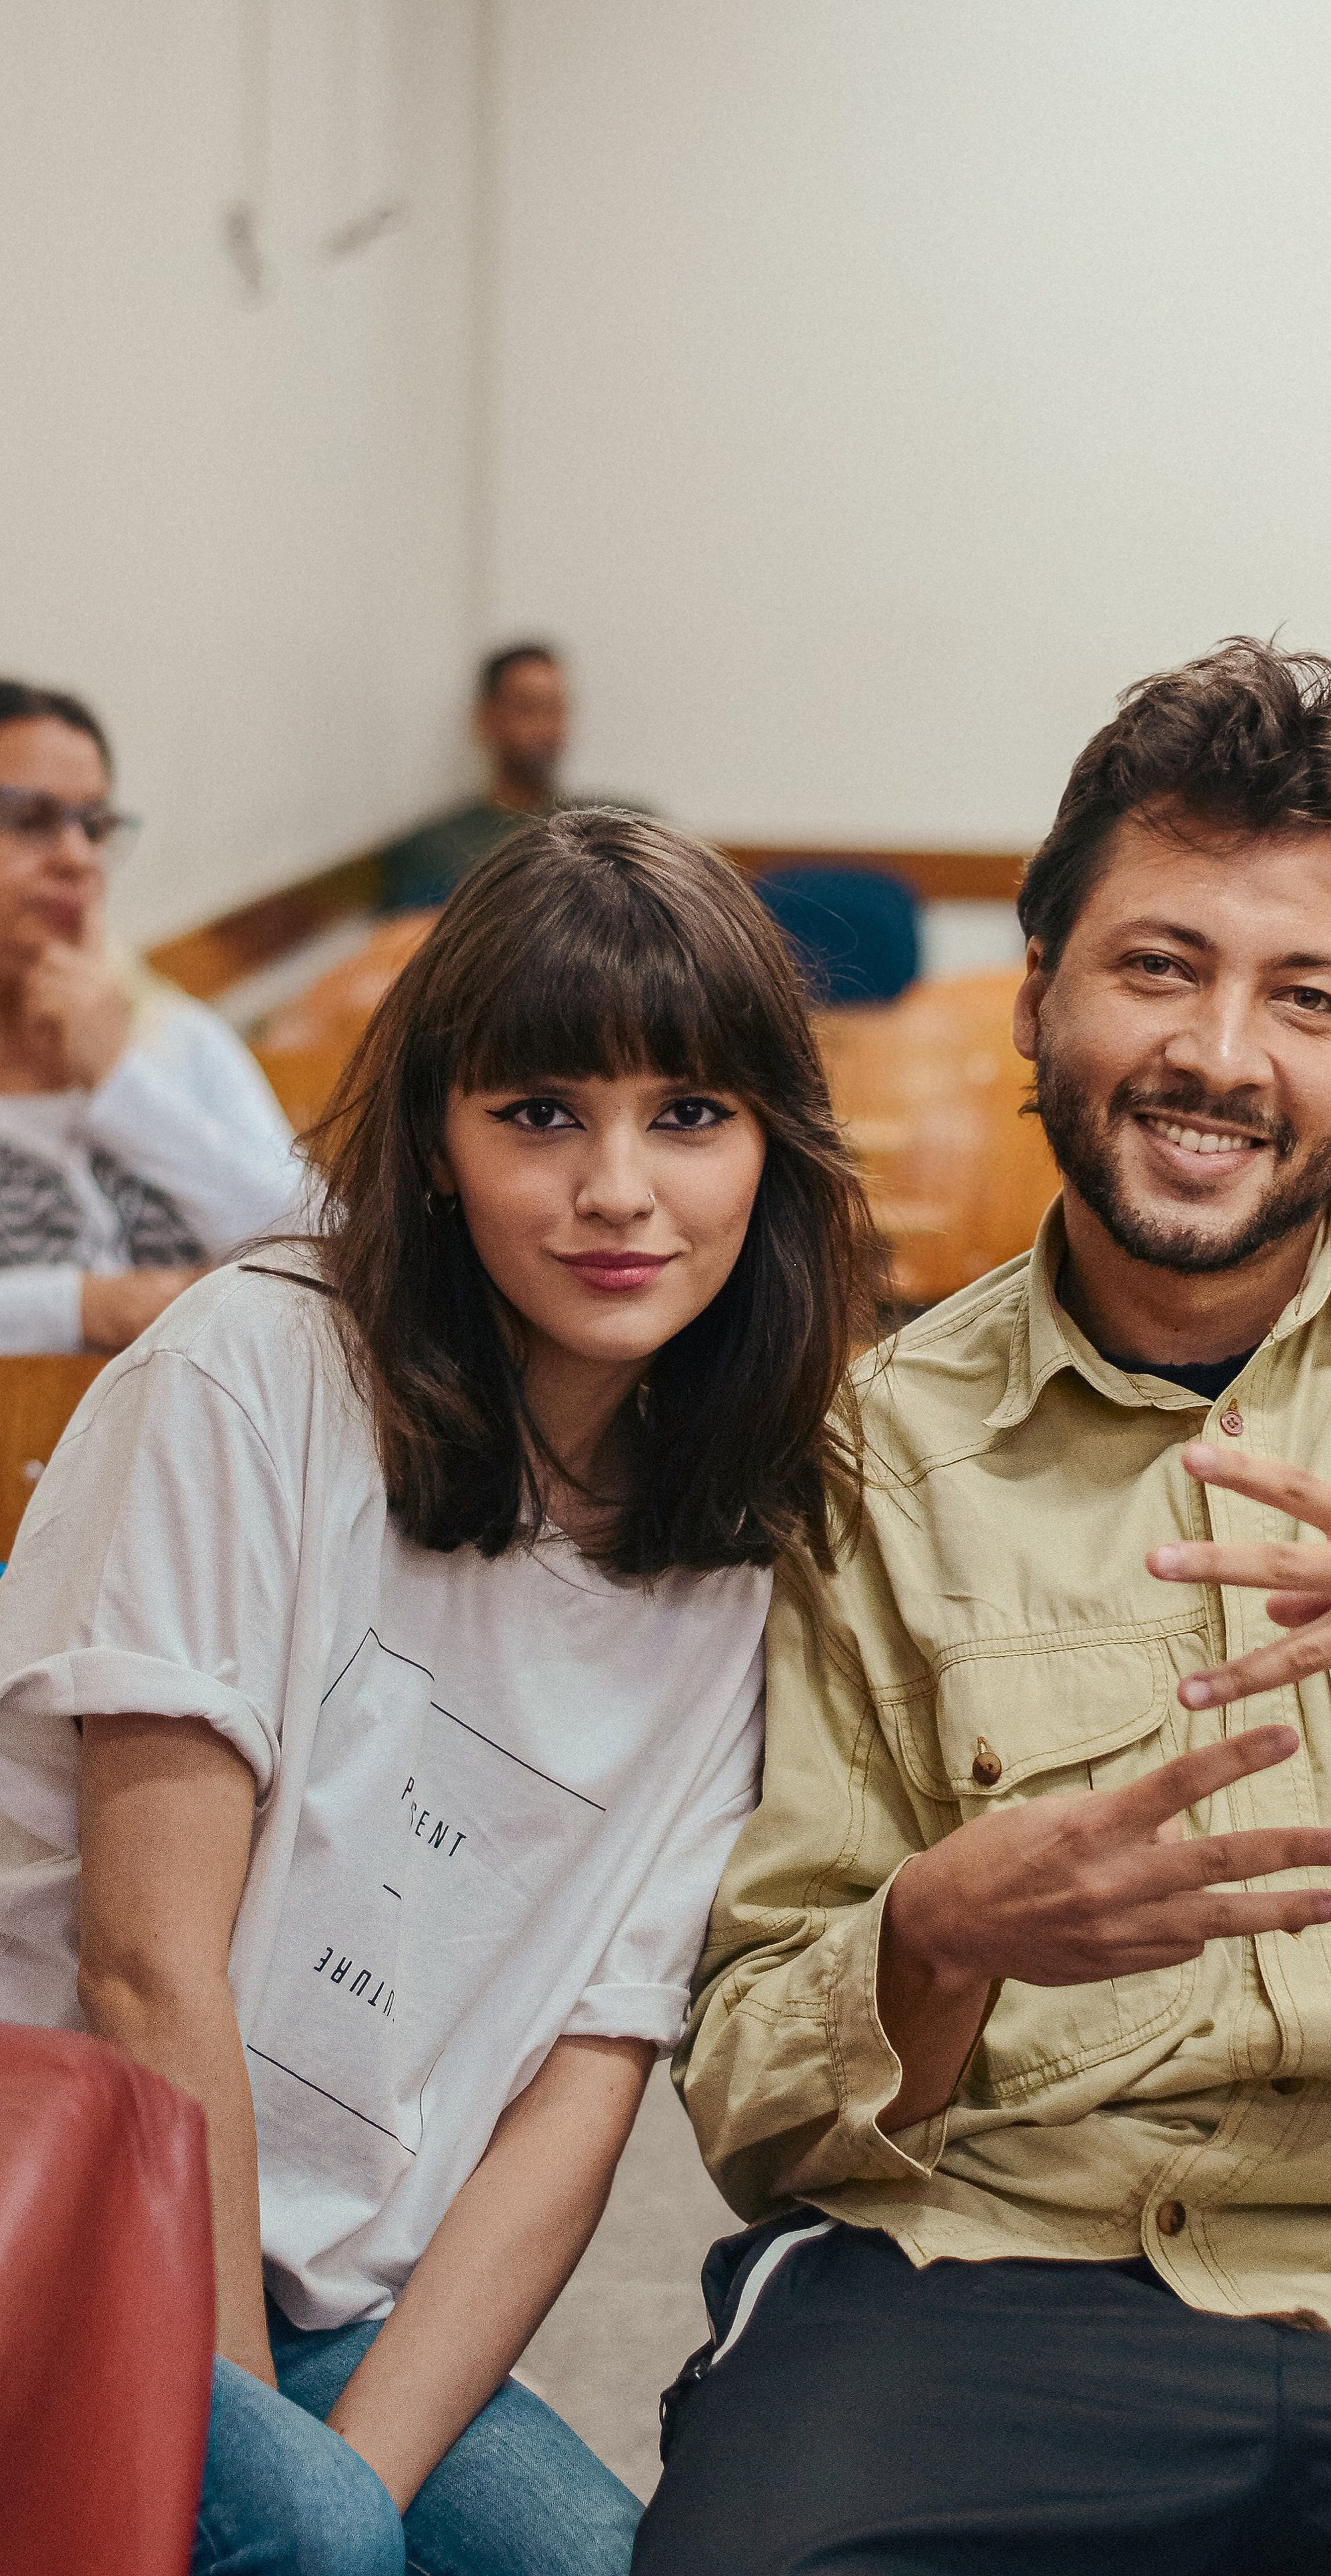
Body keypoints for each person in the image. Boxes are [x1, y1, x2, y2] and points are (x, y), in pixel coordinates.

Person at [637, 641, 1331, 2574]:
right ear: (1039, 992)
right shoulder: (868, 1459)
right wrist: (938, 1934)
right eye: (1158, 966)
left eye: (1307, 998)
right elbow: (752, 2094)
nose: (1222, 1054)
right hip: (1005, 2269)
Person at [0, 810, 876, 2575]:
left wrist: (361, 2485)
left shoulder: (745, 1547)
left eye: (688, 1117)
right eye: (542, 1112)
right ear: (439, 1142)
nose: (618, 1188)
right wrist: (271, 2477)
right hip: (66, 2215)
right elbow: (146, 1972)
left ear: (770, 1153)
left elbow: (584, 2088)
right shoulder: (249, 1375)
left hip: (340, 2283)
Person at [0, 681, 301, 1352]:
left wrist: (122, 1081)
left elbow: (327, 1248)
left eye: (94, 825)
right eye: (29, 820)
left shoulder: (178, 1040)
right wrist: (86, 1307)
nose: (77, 857)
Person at [376, 644, 643, 913]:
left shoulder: (618, 826)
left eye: (556, 708)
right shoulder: (433, 850)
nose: (547, 728)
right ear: (487, 719)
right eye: (528, 709)